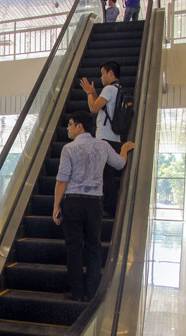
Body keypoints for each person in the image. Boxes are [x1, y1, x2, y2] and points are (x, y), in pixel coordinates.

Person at [52, 111, 134, 302]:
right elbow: (120, 164)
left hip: (73, 202)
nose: (68, 128)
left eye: (70, 124)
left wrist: (56, 205)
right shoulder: (103, 145)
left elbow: (62, 180)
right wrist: (125, 148)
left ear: (80, 126)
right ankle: (93, 291)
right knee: (93, 247)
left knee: (74, 248)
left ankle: (77, 292)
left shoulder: (69, 149)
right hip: (95, 203)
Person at [79, 60, 123, 216]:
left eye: (103, 73)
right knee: (107, 174)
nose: (101, 77)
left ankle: (108, 208)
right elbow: (102, 106)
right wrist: (94, 94)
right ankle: (108, 207)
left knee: (105, 175)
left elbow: (93, 108)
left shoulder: (109, 88)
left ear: (110, 73)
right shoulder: (117, 89)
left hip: (105, 138)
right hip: (115, 139)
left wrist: (89, 93)